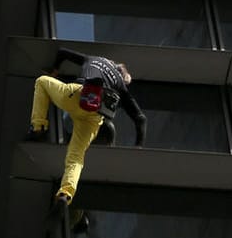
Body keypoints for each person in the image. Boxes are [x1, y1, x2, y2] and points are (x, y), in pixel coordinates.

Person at [27, 47, 146, 209]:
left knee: (42, 81)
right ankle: (65, 194)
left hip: (77, 95)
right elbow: (140, 118)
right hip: (93, 117)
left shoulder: (94, 59)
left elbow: (62, 52)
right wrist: (138, 145)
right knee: (76, 157)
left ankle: (38, 127)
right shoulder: (120, 84)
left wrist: (55, 70)